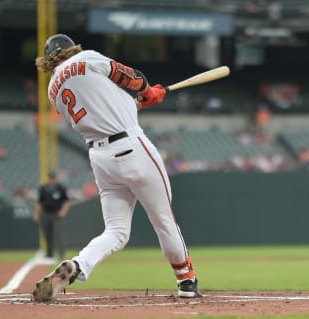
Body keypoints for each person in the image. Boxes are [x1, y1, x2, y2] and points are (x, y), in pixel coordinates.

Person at [32, 34, 200, 301]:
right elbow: (130, 76)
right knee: (164, 220)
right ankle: (186, 281)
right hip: (132, 147)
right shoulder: (85, 58)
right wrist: (147, 92)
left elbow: (100, 111)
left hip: (101, 158)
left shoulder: (54, 90)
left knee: (115, 231)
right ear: (72, 48)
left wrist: (137, 103)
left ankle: (78, 264)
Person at [32, 171, 71, 261]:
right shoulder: (43, 188)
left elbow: (67, 201)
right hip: (45, 214)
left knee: (59, 234)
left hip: (57, 215)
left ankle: (62, 255)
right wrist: (36, 214)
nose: (52, 179)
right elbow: (39, 202)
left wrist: (63, 211)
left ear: (56, 178)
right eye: (50, 177)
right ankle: (49, 255)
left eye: (53, 177)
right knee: (47, 234)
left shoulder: (61, 188)